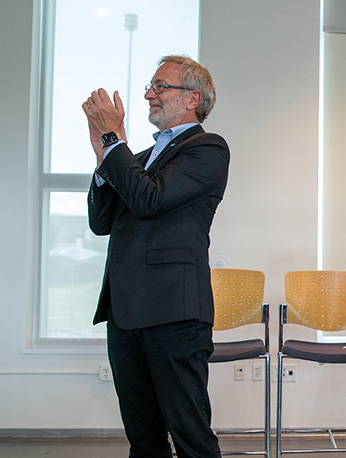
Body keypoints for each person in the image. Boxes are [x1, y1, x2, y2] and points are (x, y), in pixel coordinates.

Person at [83, 55, 229, 458]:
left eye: (160, 86)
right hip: (126, 312)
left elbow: (149, 200)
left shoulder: (207, 148)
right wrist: (103, 159)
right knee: (144, 439)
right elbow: (102, 220)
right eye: (150, 85)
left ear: (192, 98)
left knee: (191, 437)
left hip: (174, 312)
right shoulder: (141, 156)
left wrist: (115, 143)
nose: (149, 93)